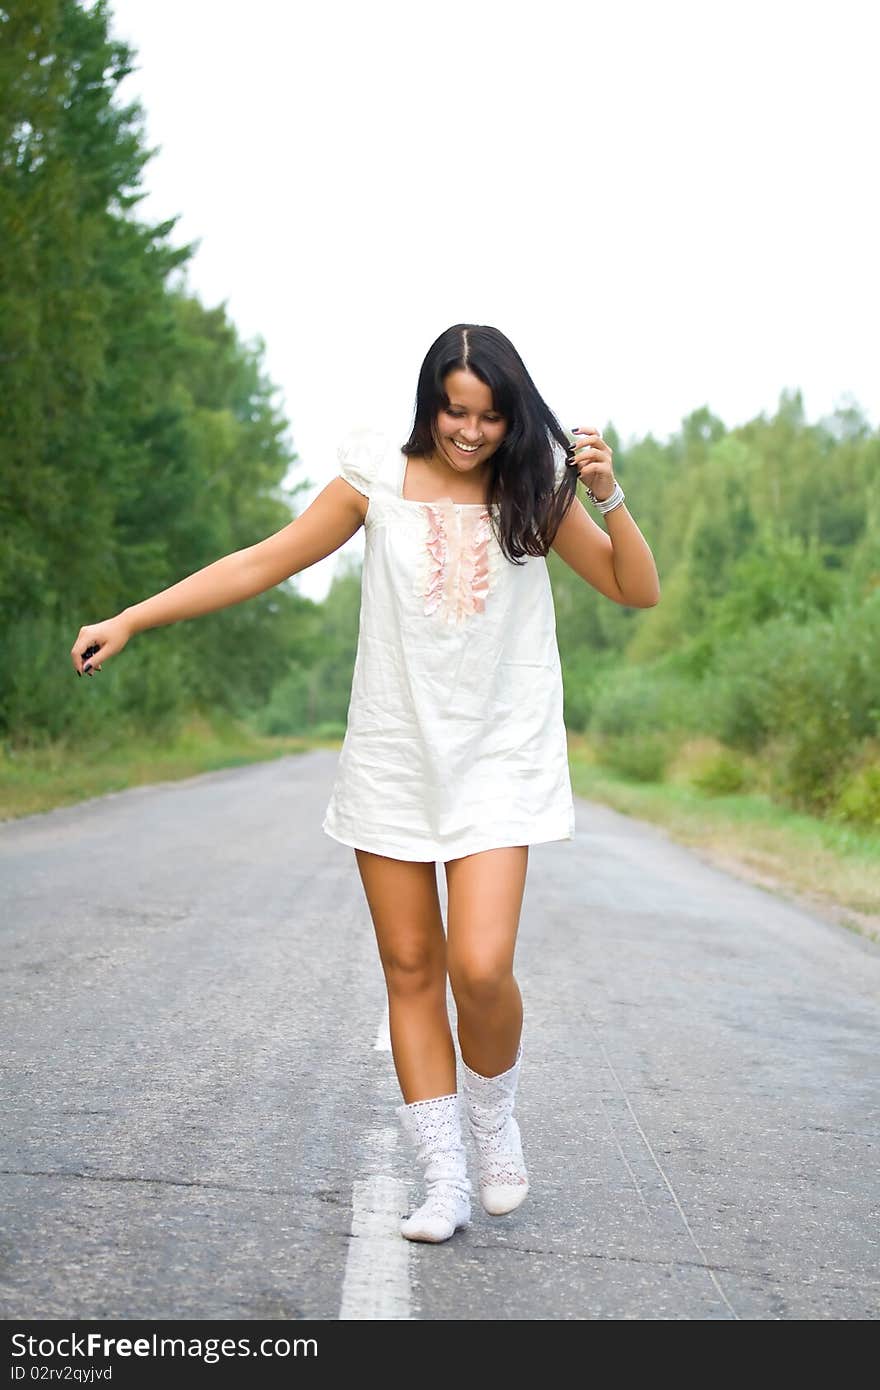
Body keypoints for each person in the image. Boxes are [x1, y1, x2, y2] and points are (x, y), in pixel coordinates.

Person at [70, 323, 660, 1244]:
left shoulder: (532, 490)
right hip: (393, 754)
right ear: (429, 400)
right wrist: (133, 618)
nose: (469, 432)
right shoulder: (373, 478)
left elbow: (636, 589)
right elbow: (265, 560)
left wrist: (607, 495)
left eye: (491, 416)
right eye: (455, 411)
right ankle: (442, 1180)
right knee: (413, 967)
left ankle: (493, 1115)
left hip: (500, 757)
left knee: (480, 964)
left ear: (513, 416)